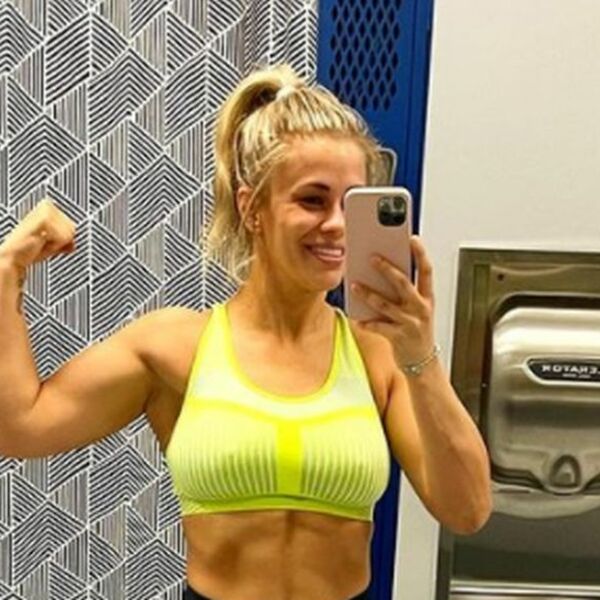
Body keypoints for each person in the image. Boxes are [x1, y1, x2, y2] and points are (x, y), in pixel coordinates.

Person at [0, 64, 492, 600]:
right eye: (312, 200)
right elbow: (19, 427)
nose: (336, 224)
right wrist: (6, 274)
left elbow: (467, 510)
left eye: (351, 203)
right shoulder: (176, 347)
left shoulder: (378, 354)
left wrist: (420, 357)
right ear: (252, 207)